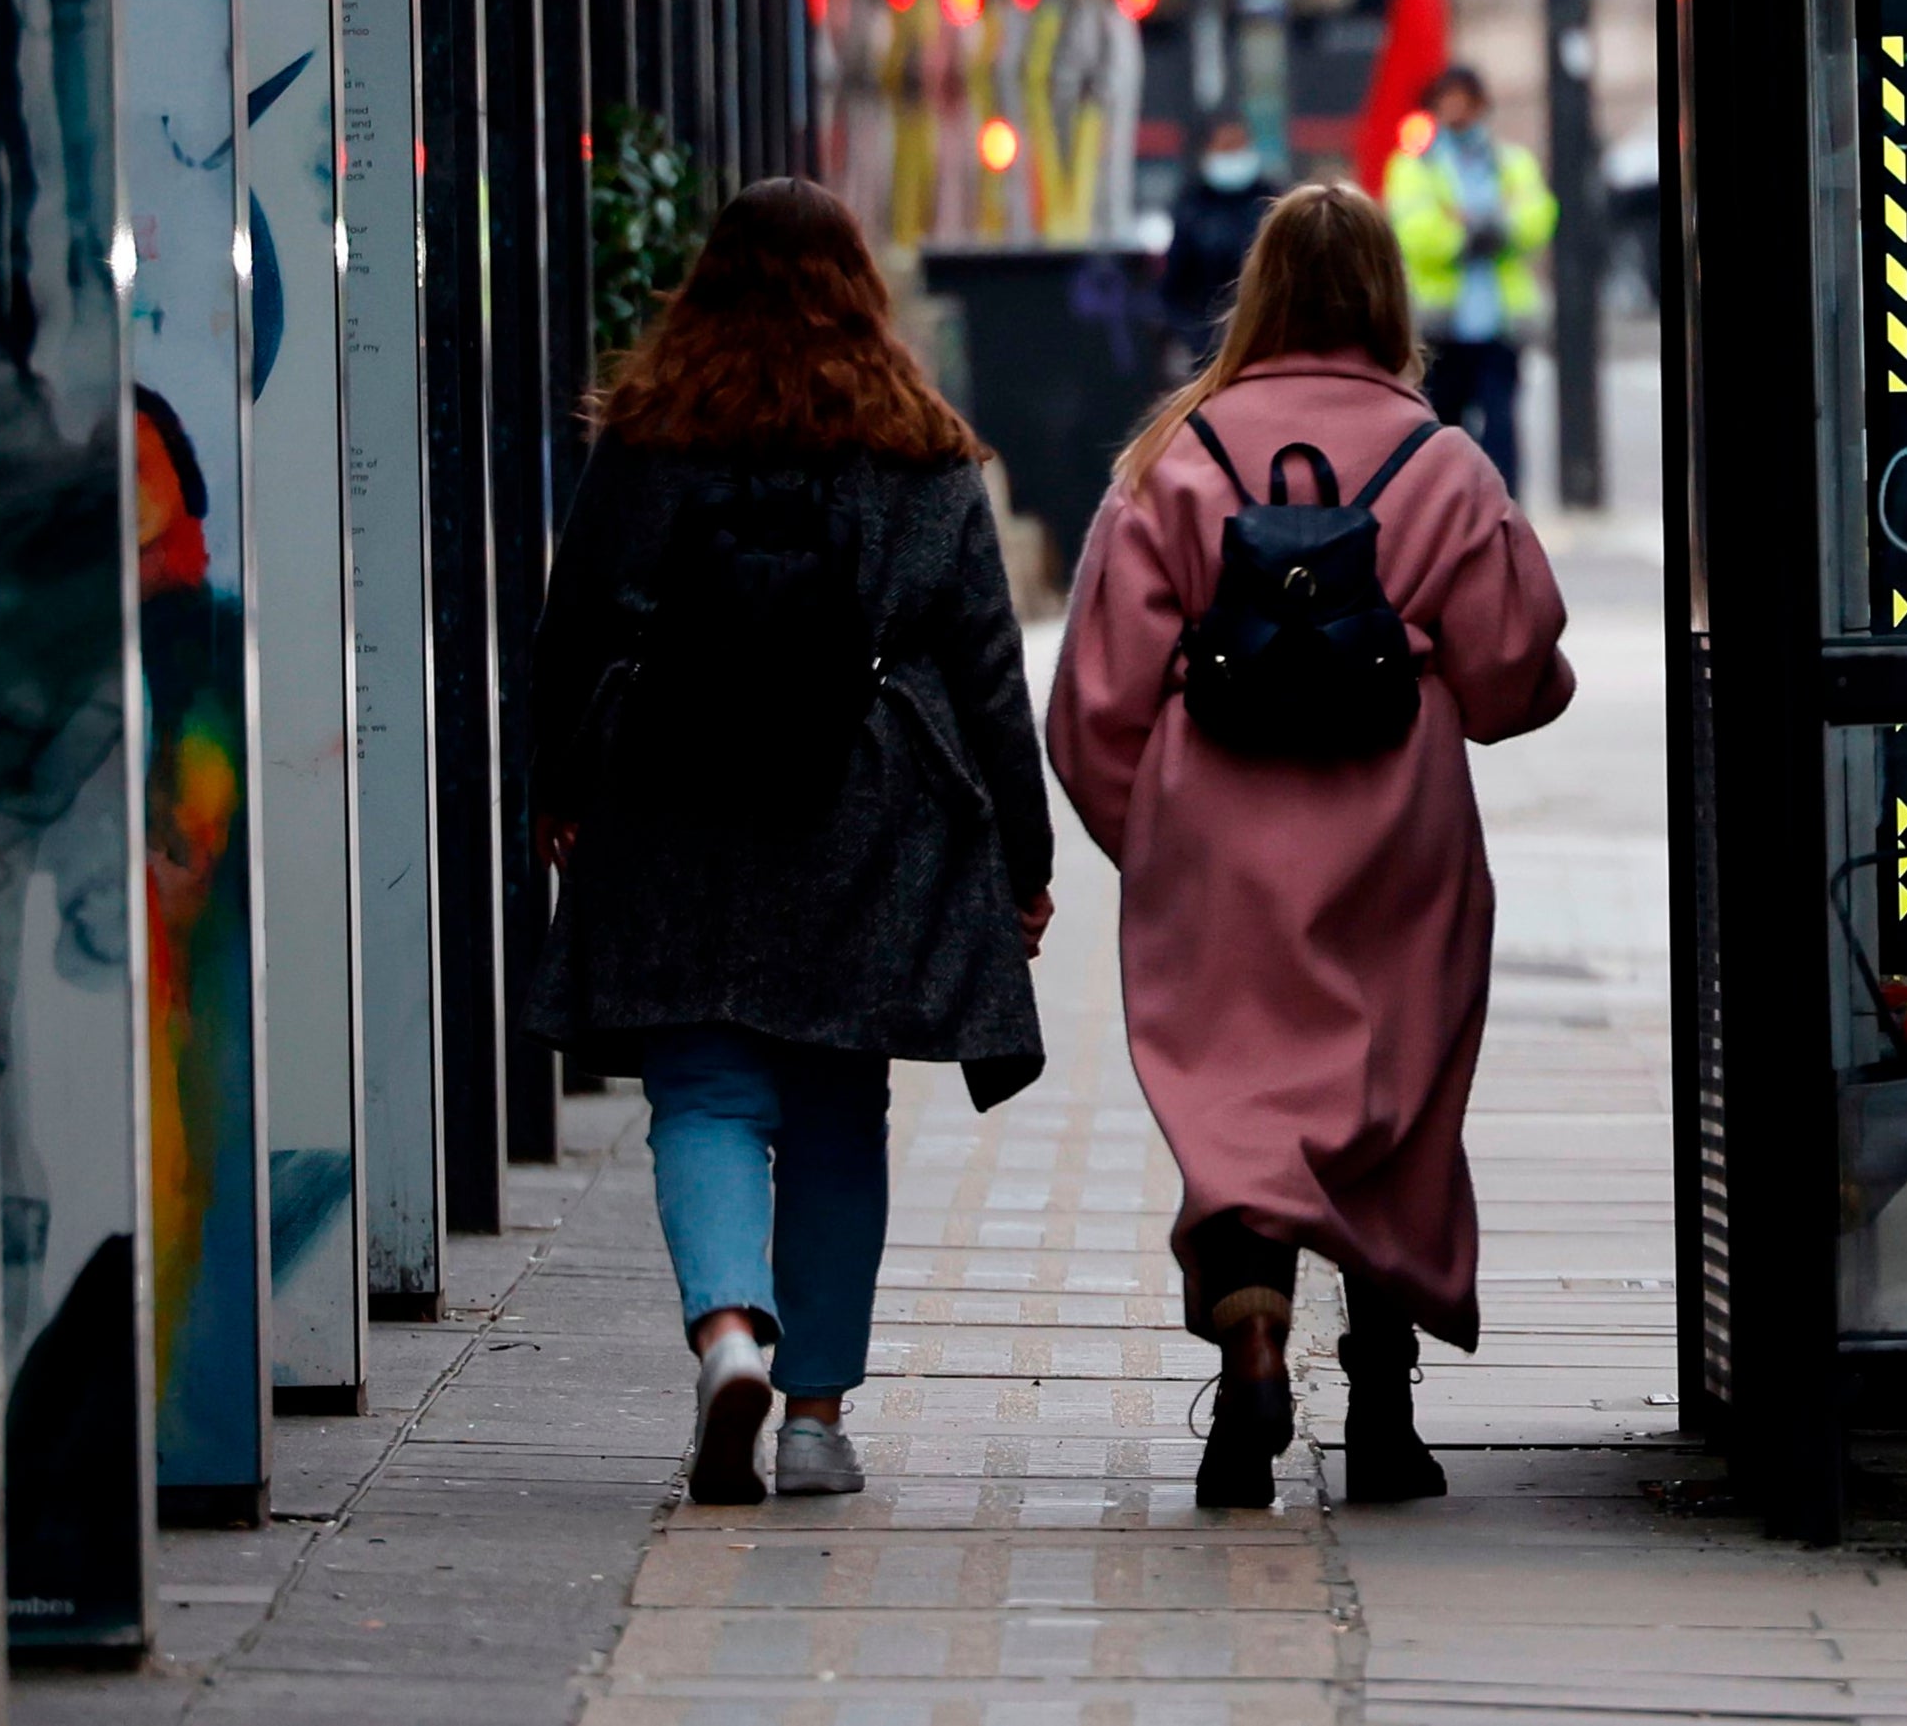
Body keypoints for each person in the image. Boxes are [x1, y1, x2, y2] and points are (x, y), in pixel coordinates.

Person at [525, 179, 1056, 1506]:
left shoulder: (651, 434)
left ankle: (724, 1335)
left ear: (707, 281)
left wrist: (556, 783)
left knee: (703, 1088)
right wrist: (1024, 857)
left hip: (671, 783)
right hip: (861, 802)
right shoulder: (918, 444)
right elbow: (988, 666)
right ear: (858, 287)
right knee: (834, 1108)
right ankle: (813, 1416)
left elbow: (575, 620)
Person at [1051, 183, 1573, 1510]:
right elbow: (1517, 673)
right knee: (1390, 1100)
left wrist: (1160, 836)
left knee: (1238, 1103)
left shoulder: (1174, 459)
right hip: (1398, 840)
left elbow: (1092, 706)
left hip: (1217, 842)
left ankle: (1250, 1352)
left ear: (1260, 293)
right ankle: (1385, 1413)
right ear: (1389, 300)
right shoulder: (1445, 465)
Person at [1379, 63, 1557, 488]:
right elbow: (1412, 230)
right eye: (1448, 100)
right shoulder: (1413, 167)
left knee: (1501, 433)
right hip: (1441, 328)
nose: (1457, 111)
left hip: (1499, 324)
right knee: (1442, 434)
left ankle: (1503, 516)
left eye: (1465, 100)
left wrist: (1482, 226)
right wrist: (1473, 234)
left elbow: (1538, 215)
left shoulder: (1511, 161)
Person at [1156, 113, 1280, 369]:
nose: (1234, 155)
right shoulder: (1192, 208)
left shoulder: (1272, 201)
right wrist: (1195, 340)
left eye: (1239, 146)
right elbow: (1174, 288)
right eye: (1225, 148)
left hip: (1266, 346)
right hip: (1206, 349)